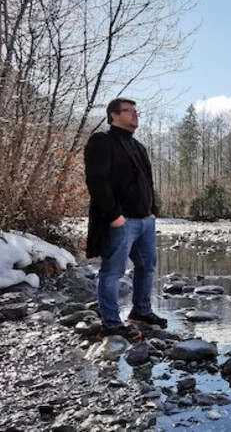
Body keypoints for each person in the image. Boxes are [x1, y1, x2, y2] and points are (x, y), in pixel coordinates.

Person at [84, 97, 167, 339]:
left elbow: (148, 183)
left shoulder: (138, 146)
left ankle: (141, 311)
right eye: (128, 111)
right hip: (121, 222)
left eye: (136, 111)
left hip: (145, 221)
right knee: (112, 272)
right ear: (113, 116)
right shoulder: (102, 141)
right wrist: (114, 216)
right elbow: (96, 180)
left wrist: (154, 211)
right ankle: (111, 324)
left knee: (146, 267)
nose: (135, 115)